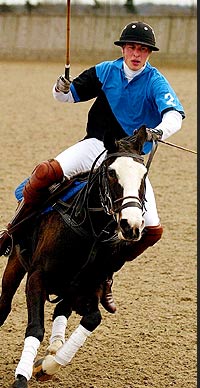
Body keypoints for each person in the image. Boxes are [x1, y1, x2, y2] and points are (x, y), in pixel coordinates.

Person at [0, 21, 185, 313]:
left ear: (149, 53)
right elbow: (66, 96)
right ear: (124, 48)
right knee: (45, 173)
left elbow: (175, 114)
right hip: (96, 146)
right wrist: (59, 87)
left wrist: (158, 131)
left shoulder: (155, 81)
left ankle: (106, 274)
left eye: (143, 49)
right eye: (132, 47)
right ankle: (12, 232)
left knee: (152, 230)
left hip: (129, 160)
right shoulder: (104, 71)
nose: (137, 53)